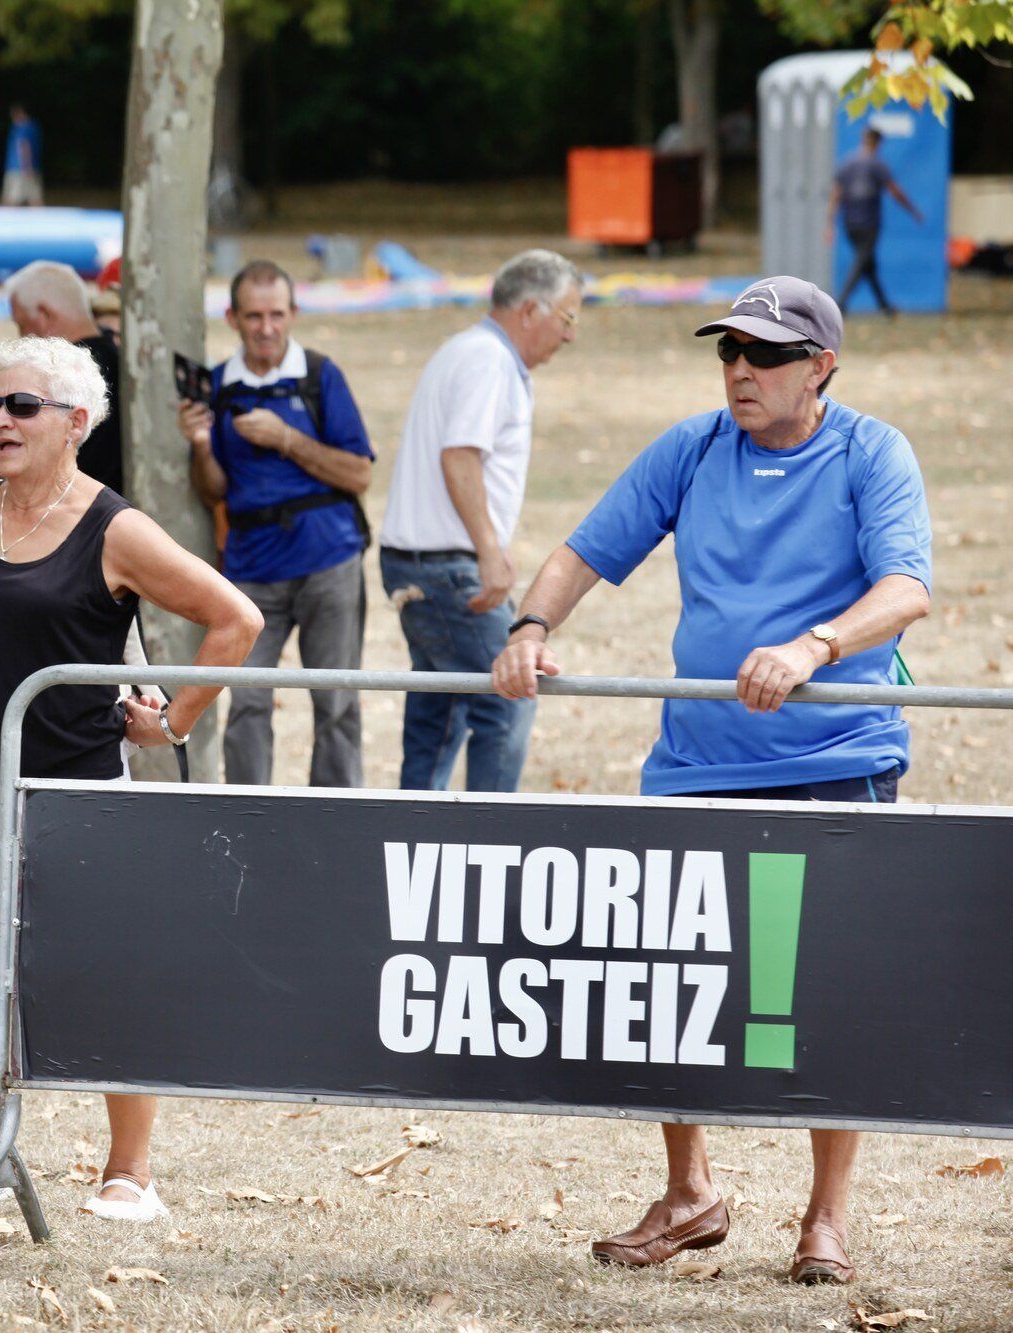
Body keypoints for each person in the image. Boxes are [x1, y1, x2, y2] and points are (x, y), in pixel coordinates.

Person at [491, 277, 932, 1287]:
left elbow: (904, 587)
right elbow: (582, 551)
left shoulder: (871, 452)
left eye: (765, 354)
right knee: (668, 986)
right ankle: (689, 1192)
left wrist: (814, 645)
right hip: (694, 763)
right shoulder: (690, 450)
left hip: (833, 759)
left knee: (824, 992)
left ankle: (823, 1218)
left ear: (819, 366)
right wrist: (528, 628)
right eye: (727, 351)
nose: (739, 369)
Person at [0, 335, 263, 1222]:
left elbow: (236, 619)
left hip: (75, 789)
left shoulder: (117, 527)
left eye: (22, 406)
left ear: (75, 422)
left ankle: (131, 1170)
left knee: (101, 971)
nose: (0, 419)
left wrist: (173, 719)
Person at [379, 249, 582, 792]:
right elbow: (460, 455)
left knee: (439, 712)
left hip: (421, 562)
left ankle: (412, 834)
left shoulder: (470, 351)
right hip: (447, 567)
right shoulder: (488, 360)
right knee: (511, 692)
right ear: (531, 310)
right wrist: (489, 550)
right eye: (567, 319)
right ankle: (490, 834)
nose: (569, 336)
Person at [180, 260, 376, 787]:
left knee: (335, 701)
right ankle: (250, 817)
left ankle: (334, 816)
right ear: (232, 318)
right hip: (251, 564)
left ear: (293, 314)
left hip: (328, 556)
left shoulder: (318, 375)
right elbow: (213, 491)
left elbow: (359, 473)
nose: (266, 328)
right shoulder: (217, 386)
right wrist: (200, 444)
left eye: (276, 315)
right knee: (245, 702)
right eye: (254, 316)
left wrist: (287, 439)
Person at [3, 260, 123, 495]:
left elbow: (37, 475)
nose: (22, 338)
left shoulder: (61, 379)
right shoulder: (118, 360)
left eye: (23, 325)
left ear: (45, 315)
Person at [831, 128, 924, 317]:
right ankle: (840, 304)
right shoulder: (877, 165)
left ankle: (885, 307)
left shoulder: (847, 163)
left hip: (849, 222)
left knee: (868, 265)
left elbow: (836, 194)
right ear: (877, 143)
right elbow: (895, 191)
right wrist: (912, 210)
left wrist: (830, 223)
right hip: (869, 222)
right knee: (861, 261)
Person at [2, 104, 43, 207]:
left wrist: (27, 166)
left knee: (12, 200)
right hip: (19, 168)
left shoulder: (23, 127)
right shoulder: (32, 126)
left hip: (20, 169)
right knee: (33, 198)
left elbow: (24, 146)